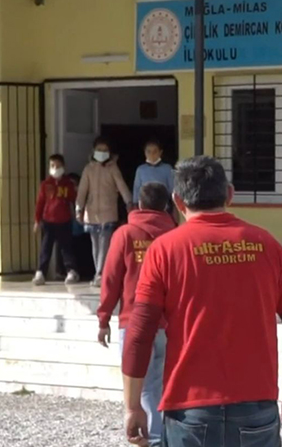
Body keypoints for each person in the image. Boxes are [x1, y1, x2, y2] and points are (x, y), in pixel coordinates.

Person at [121, 156, 282, 447]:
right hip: (256, 406)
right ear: (229, 194)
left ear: (177, 200)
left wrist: (133, 406)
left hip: (189, 409)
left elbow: (139, 334)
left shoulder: (164, 251)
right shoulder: (267, 245)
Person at [97, 182, 176, 447]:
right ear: (166, 205)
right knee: (160, 384)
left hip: (133, 321)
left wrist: (104, 318)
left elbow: (111, 278)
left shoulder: (125, 234)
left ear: (139, 205)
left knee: (142, 386)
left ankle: (155, 438)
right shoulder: (175, 235)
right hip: (168, 324)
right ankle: (163, 435)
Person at [76, 137, 133, 287]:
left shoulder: (113, 168)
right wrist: (79, 208)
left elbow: (121, 186)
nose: (102, 152)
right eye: (99, 150)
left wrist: (129, 202)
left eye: (105, 150)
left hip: (108, 212)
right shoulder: (88, 169)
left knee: (104, 243)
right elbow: (82, 190)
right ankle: (99, 273)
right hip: (91, 213)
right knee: (95, 245)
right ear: (94, 151)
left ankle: (100, 273)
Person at [32, 154, 80, 286]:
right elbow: (40, 203)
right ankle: (41, 272)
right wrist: (37, 220)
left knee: (66, 248)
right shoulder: (45, 184)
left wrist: (79, 213)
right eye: (52, 166)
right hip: (48, 222)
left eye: (58, 166)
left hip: (64, 221)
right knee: (46, 248)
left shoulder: (68, 184)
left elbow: (74, 199)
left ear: (63, 167)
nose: (55, 168)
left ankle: (71, 271)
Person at [132, 139, 175, 218]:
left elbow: (172, 188)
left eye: (155, 151)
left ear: (160, 152)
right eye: (148, 151)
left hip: (163, 206)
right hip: (145, 206)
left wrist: (174, 207)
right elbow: (137, 188)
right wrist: (135, 204)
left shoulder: (167, 168)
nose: (152, 154)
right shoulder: (141, 169)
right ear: (144, 153)